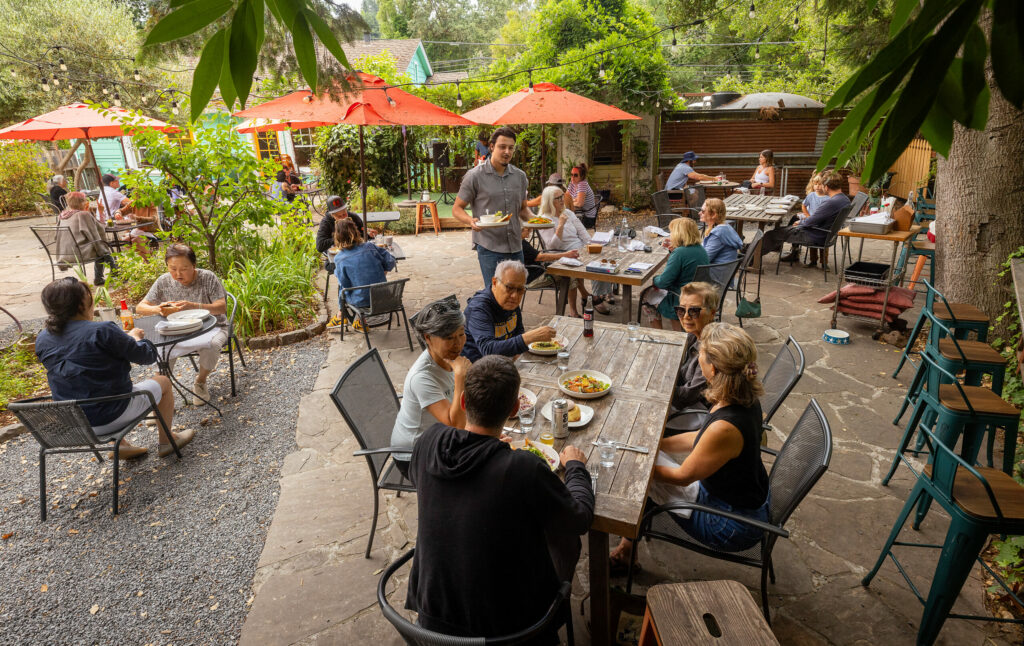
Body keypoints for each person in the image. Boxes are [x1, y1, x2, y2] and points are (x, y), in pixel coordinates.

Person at [405, 355, 594, 639]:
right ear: (515, 407)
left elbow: (427, 481)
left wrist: (485, 450)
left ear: (464, 402)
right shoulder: (523, 468)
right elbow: (580, 519)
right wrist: (576, 467)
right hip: (506, 632)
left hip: (433, 619)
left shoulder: (430, 441)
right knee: (564, 539)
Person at [609, 322, 768, 570]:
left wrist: (632, 466)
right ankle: (628, 545)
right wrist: (654, 444)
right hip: (739, 500)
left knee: (635, 476)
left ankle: (623, 546)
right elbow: (699, 437)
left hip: (730, 524)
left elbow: (682, 477)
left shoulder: (726, 426)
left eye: (700, 354)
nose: (697, 357)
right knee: (643, 454)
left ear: (712, 368)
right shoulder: (739, 396)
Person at [34, 277, 194, 459]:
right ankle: (167, 441)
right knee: (163, 381)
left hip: (74, 424)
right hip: (111, 416)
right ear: (81, 304)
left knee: (90, 387)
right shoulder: (102, 330)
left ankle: (121, 446)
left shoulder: (43, 339)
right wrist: (135, 339)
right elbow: (147, 357)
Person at [135, 244, 229, 406]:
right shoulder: (163, 281)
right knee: (162, 349)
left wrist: (194, 306)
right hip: (177, 330)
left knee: (212, 345)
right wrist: (159, 309)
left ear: (194, 265)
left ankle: (200, 381)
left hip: (214, 327)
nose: (178, 274)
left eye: (184, 269)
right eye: (173, 269)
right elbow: (140, 307)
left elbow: (221, 307)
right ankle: (161, 392)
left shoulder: (207, 278)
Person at [391, 299, 471, 478]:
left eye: (461, 334)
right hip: (414, 455)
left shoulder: (449, 356)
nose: (458, 344)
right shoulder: (422, 377)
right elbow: (457, 426)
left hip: (441, 439)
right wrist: (460, 378)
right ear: (428, 337)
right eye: (449, 338)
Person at [452, 127, 533, 287]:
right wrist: (470, 220)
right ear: (491, 147)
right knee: (495, 294)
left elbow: (523, 209)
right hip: (489, 247)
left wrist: (537, 221)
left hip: (516, 246)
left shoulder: (520, 176)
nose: (507, 152)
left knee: (516, 292)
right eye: (502, 147)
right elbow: (457, 208)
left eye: (511, 148)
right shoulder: (474, 176)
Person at [461, 260, 556, 361]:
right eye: (509, 288)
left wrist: (518, 354)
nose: (515, 296)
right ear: (495, 282)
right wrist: (529, 337)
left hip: (502, 361)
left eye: (520, 289)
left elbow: (518, 331)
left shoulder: (509, 302)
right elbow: (488, 349)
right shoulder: (479, 308)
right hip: (477, 366)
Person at [761, 169, 850, 267]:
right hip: (825, 234)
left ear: (826, 187)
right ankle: (751, 250)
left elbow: (811, 221)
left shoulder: (830, 203)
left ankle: (751, 257)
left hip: (814, 235)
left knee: (771, 235)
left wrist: (800, 223)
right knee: (781, 230)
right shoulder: (845, 199)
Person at [664, 282, 719, 434]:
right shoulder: (695, 334)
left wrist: (658, 388)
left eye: (694, 311)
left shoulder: (711, 350)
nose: (686, 316)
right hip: (684, 402)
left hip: (698, 413)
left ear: (712, 313)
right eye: (681, 310)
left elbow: (687, 396)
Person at [330, 219, 395, 327]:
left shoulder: (339, 258)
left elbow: (346, 285)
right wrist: (383, 272)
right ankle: (358, 321)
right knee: (357, 281)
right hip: (383, 297)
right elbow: (391, 261)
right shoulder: (370, 247)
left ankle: (342, 317)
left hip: (362, 302)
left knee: (343, 287)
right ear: (356, 232)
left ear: (337, 236)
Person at [649, 218, 709, 330]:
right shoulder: (700, 249)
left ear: (678, 234)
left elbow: (663, 282)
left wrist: (654, 279)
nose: (671, 235)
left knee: (646, 296)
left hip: (680, 297)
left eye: (672, 232)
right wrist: (673, 251)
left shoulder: (680, 253)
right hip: (700, 293)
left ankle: (660, 334)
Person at [55, 192, 117, 285]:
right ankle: (113, 272)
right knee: (101, 248)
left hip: (64, 255)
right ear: (82, 203)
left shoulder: (61, 216)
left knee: (99, 247)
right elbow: (99, 228)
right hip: (79, 253)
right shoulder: (83, 215)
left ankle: (105, 275)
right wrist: (100, 212)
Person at [520, 226, 584, 317]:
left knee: (569, 272)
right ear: (521, 230)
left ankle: (584, 298)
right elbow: (540, 257)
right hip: (533, 279)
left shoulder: (517, 242)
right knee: (570, 277)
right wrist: (565, 255)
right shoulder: (522, 244)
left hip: (534, 273)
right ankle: (573, 313)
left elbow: (538, 256)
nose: (529, 233)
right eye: (528, 230)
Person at [700, 198, 744, 264]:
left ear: (713, 214)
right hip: (725, 268)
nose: (699, 213)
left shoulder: (718, 234)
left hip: (715, 269)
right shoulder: (726, 227)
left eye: (703, 211)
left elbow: (704, 260)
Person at [567, 163, 599, 228]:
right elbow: (566, 198)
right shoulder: (573, 182)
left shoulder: (582, 184)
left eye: (575, 175)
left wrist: (571, 202)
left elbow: (579, 204)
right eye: (571, 174)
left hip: (587, 218)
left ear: (581, 177)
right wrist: (574, 200)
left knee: (564, 222)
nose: (572, 177)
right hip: (579, 213)